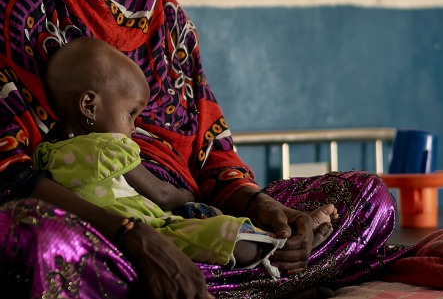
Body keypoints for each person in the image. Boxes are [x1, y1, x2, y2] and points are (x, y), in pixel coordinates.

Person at [0, 0, 402, 299]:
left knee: (370, 198)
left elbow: (212, 155)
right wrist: (133, 234)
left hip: (194, 219)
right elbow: (11, 172)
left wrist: (265, 207)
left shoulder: (170, 23)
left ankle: (240, 265)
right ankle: (244, 276)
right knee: (32, 239)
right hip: (100, 223)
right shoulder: (22, 15)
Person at [35, 36, 337, 276]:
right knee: (229, 237)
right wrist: (186, 195)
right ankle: (281, 250)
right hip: (154, 231)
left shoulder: (46, 154)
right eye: (131, 113)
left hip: (97, 248)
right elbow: (162, 195)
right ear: (89, 105)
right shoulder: (110, 148)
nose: (135, 125)